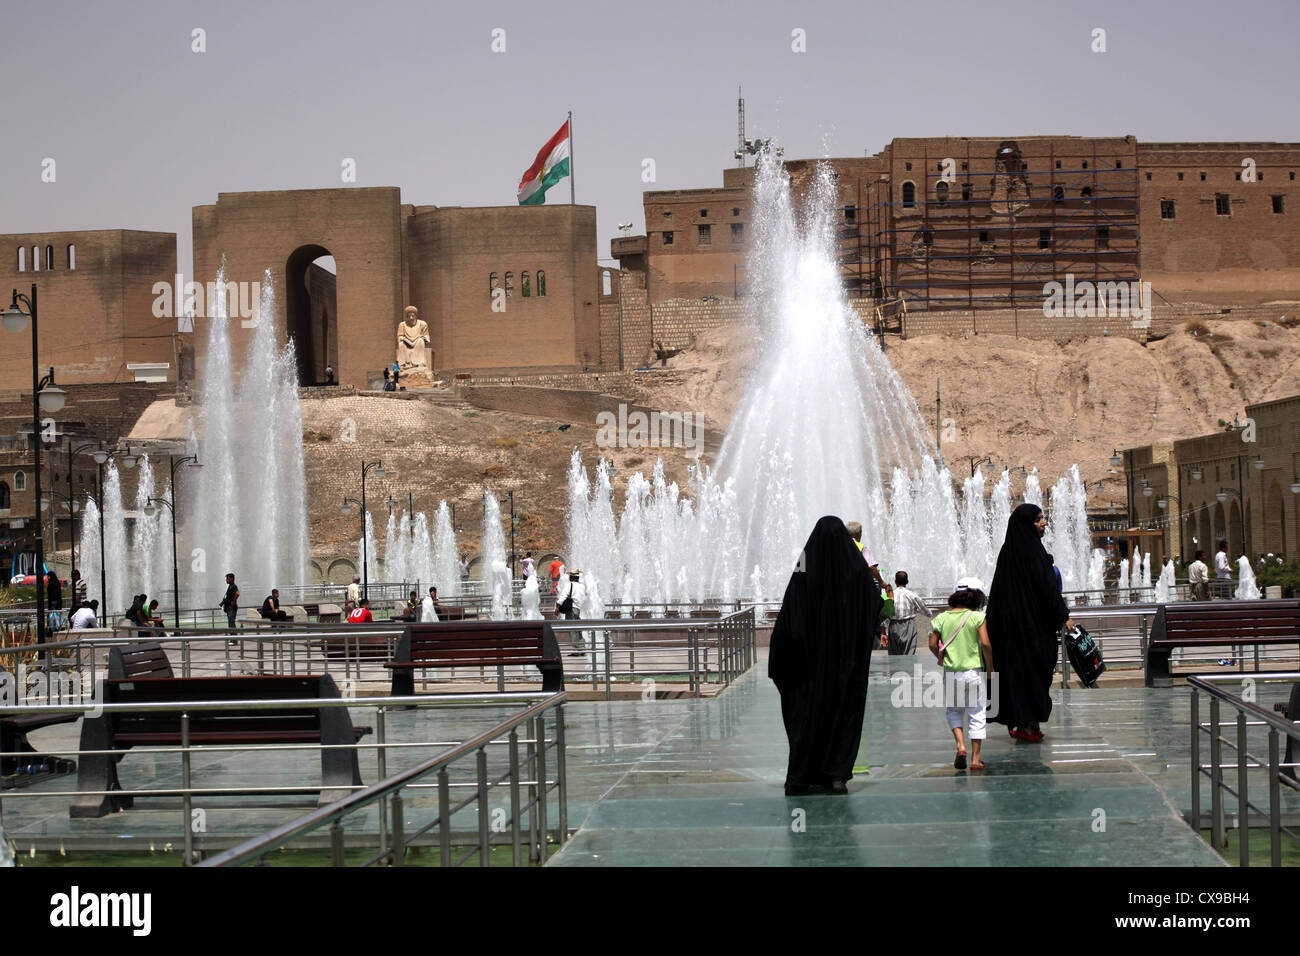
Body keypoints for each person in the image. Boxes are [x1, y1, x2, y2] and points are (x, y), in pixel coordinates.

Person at [769, 516, 882, 796]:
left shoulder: (804, 572)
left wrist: (785, 659)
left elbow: (788, 623)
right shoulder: (856, 573)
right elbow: (873, 605)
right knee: (841, 713)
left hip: (806, 668)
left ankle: (800, 777)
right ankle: (834, 776)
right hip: (844, 667)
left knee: (805, 716)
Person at [986, 503, 1073, 743]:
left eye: (1043, 518)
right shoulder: (1033, 553)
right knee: (1033, 672)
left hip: (1011, 630)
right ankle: (1026, 724)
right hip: (1032, 629)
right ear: (1026, 524)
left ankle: (1024, 721)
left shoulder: (1009, 552)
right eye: (1038, 520)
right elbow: (1047, 589)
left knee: (1018, 673)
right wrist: (1063, 616)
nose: (1044, 523)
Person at [930, 577, 993, 771]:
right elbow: (985, 644)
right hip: (973, 672)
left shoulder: (941, 618)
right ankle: (975, 759)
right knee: (976, 712)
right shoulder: (977, 617)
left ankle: (961, 746)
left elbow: (933, 644)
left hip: (951, 673)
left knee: (954, 710)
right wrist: (990, 668)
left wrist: (943, 657)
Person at [880, 570, 927, 655]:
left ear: (895, 581)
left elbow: (885, 616)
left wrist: (883, 633)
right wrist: (929, 614)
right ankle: (907, 668)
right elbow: (924, 609)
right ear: (907, 582)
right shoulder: (912, 595)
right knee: (909, 653)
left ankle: (896, 668)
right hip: (909, 626)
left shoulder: (889, 596)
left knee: (894, 655)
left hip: (893, 626)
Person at [845, 520, 887, 590]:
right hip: (858, 586)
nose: (861, 534)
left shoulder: (839, 546)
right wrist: (881, 582)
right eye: (861, 532)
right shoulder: (860, 547)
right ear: (857, 533)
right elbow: (871, 567)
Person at [556, 569, 587, 654]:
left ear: (573, 577)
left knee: (572, 629)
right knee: (578, 629)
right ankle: (582, 647)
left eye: (570, 575)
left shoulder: (569, 585)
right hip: (578, 609)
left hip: (571, 609)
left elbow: (563, 596)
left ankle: (576, 649)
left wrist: (557, 607)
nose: (569, 577)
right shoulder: (582, 586)